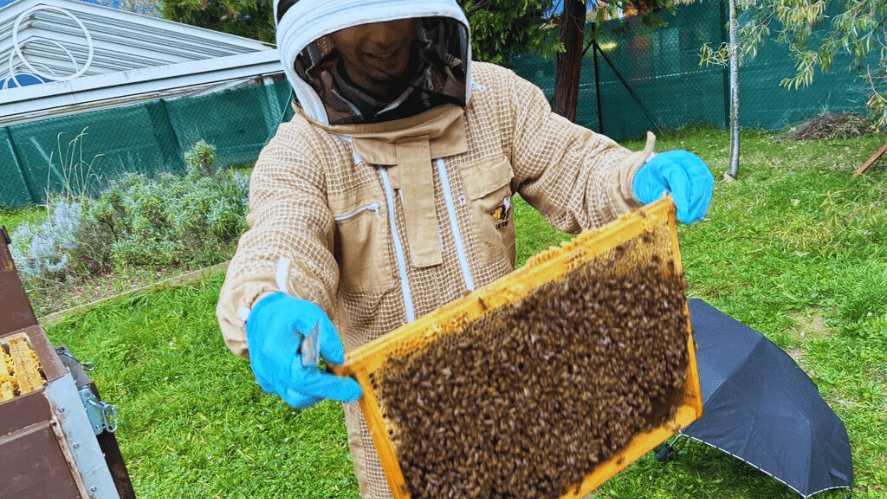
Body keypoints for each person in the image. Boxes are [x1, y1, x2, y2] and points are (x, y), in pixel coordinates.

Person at [216, 1, 715, 497]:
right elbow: (282, 235)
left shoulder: (494, 98)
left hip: (516, 402)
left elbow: (572, 165)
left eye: (396, 10)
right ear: (319, 30)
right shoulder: (302, 153)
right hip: (397, 437)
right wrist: (266, 304)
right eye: (359, 19)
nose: (385, 36)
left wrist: (633, 177)